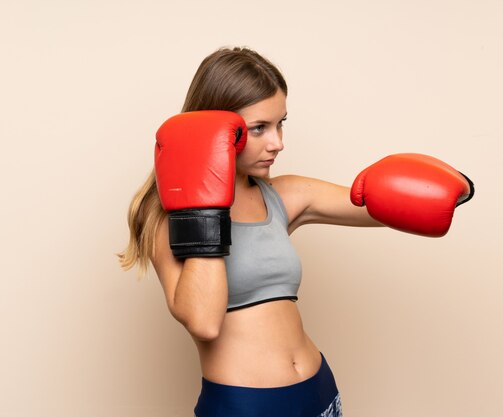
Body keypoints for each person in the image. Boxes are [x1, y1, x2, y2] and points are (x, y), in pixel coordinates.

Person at [118, 46, 474, 417]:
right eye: (259, 128)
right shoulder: (166, 217)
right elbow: (204, 322)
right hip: (245, 407)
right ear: (215, 132)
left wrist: (453, 185)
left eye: (280, 123)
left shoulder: (283, 196)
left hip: (319, 391)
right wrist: (203, 205)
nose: (278, 143)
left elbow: (385, 207)